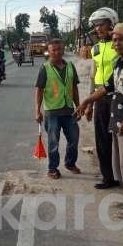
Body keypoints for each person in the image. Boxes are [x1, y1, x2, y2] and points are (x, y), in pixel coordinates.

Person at [78, 23, 123, 211]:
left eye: (121, 40)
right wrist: (87, 100)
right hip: (116, 120)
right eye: (115, 40)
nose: (117, 43)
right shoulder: (119, 63)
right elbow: (107, 88)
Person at [81, 7, 121, 190]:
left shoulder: (119, 45)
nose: (97, 29)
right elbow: (93, 76)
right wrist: (90, 103)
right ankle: (108, 177)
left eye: (101, 24)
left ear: (111, 24)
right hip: (99, 98)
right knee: (102, 140)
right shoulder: (96, 48)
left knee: (119, 140)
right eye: (95, 26)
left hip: (117, 97)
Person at [34, 39, 81, 179]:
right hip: (52, 112)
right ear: (49, 52)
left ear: (63, 49)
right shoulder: (45, 68)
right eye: (53, 50)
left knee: (74, 138)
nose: (57, 52)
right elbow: (39, 90)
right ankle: (52, 168)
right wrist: (37, 110)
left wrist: (78, 106)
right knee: (53, 142)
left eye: (59, 49)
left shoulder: (70, 66)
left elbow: (74, 88)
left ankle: (70, 163)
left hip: (69, 111)